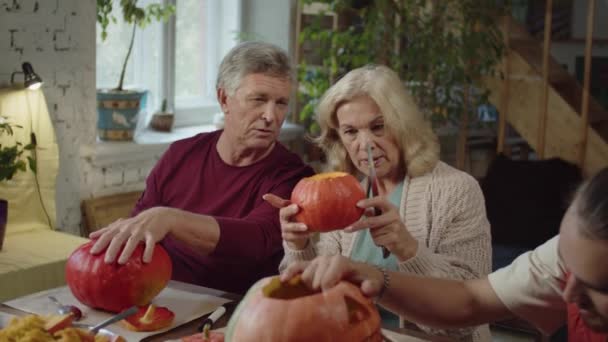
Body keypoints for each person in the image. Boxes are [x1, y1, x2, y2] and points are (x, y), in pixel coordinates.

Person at [264, 65, 492, 341]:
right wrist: (299, 247)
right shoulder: (342, 193)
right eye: (351, 132)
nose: (365, 144)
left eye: (378, 127)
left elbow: (467, 317)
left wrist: (408, 249)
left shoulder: (457, 190)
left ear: (403, 125)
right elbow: (311, 301)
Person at [89, 41, 314, 294]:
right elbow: (140, 231)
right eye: (258, 99)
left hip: (237, 310)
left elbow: (256, 241)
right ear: (223, 99)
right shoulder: (180, 155)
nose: (271, 116)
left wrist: (170, 218)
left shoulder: (295, 176)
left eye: (281, 103)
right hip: (162, 295)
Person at [283, 168, 608, 342]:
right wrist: (370, 275)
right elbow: (471, 299)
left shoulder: (455, 190)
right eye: (566, 265)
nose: (566, 293)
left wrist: (408, 248)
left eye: (596, 287)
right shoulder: (573, 257)